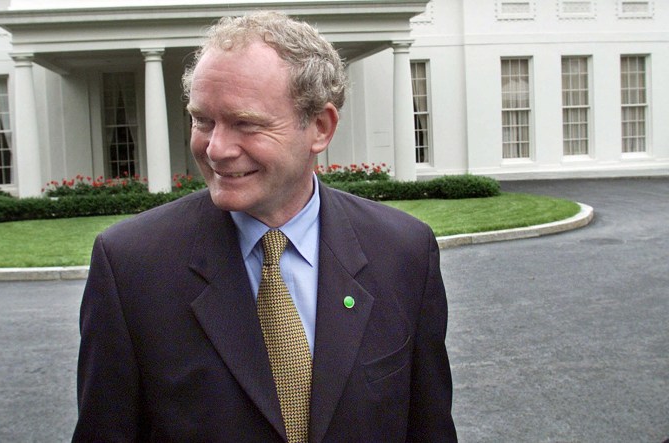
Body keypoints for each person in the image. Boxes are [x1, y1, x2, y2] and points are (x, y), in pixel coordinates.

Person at [73, 11, 457, 442]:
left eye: (246, 123)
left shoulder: (404, 252)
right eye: (203, 120)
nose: (216, 149)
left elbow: (429, 427)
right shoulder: (131, 266)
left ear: (320, 127)